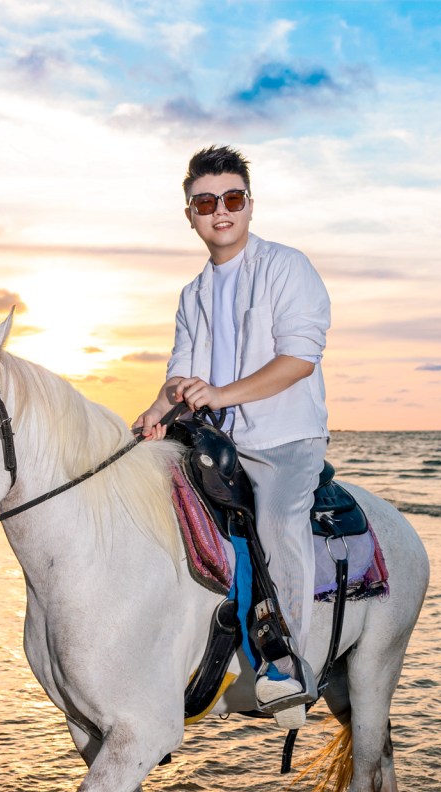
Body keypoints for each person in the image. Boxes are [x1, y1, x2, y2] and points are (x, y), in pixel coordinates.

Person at [134, 145, 331, 730]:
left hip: (284, 439)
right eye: (205, 203)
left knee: (274, 526)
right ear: (190, 214)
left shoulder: (287, 267)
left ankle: (283, 664)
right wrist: (149, 417)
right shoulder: (192, 294)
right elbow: (180, 374)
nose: (220, 211)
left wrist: (219, 395)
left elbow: (300, 358)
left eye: (232, 199)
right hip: (216, 441)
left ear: (249, 205)